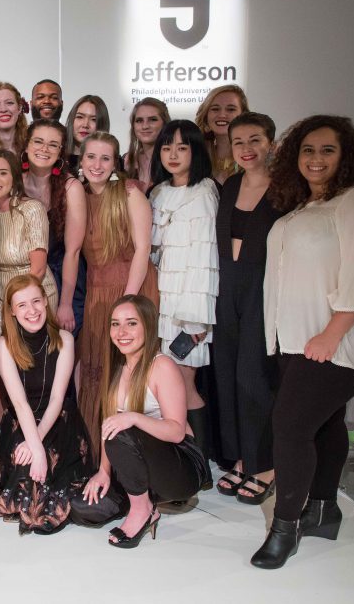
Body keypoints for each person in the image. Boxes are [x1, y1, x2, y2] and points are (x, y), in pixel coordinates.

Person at [251, 115, 354, 569]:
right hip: (296, 340)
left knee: (290, 427)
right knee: (324, 424)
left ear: (345, 156)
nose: (315, 159)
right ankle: (323, 509)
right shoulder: (302, 210)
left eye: (327, 150)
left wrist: (331, 335)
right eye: (308, 150)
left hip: (337, 341)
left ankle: (284, 528)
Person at [78, 295, 210, 548]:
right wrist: (103, 472)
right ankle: (141, 500)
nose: (121, 331)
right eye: (115, 324)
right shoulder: (118, 371)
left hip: (182, 467)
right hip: (144, 464)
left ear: (148, 327)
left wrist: (133, 418)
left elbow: (176, 432)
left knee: (123, 429)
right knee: (84, 507)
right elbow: (110, 426)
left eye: (131, 323)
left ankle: (144, 511)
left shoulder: (162, 366)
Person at [0, 275, 92, 534]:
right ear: (13, 312)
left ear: (46, 302)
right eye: (22, 305)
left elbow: (57, 399)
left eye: (36, 301)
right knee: (27, 466)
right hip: (21, 418)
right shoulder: (5, 345)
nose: (32, 310)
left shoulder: (65, 340)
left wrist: (36, 442)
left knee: (47, 470)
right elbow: (19, 402)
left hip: (57, 417)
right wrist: (35, 449)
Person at [212, 113, 283, 503]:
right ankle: (240, 457)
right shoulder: (231, 185)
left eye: (255, 140)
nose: (246, 149)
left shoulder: (287, 189)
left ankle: (265, 464)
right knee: (227, 375)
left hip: (264, 289)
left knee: (255, 377)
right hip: (227, 287)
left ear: (270, 142)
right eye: (238, 142)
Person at [77, 132, 158, 464]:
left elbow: (142, 250)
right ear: (80, 161)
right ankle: (97, 459)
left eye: (105, 158)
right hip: (97, 291)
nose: (97, 165)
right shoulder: (78, 196)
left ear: (116, 162)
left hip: (132, 288)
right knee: (96, 369)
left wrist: (127, 303)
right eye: (91, 157)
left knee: (131, 372)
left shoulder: (129, 194)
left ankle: (139, 461)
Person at [148, 119, 219, 458]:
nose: (173, 155)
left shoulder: (204, 191)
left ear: (196, 150)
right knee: (166, 387)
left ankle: (198, 461)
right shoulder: (159, 192)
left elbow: (205, 257)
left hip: (188, 310)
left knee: (185, 385)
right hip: (162, 303)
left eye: (181, 147)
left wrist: (196, 323)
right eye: (166, 147)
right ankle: (180, 460)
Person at [0, 149, 58, 415]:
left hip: (32, 293)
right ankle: (5, 425)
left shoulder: (31, 209)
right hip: (1, 296)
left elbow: (38, 266)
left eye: (2, 172)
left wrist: (19, 306)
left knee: (32, 365)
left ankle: (40, 421)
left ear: (14, 177)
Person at [22, 119, 87, 335]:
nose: (44, 149)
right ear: (27, 145)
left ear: (60, 151)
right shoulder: (13, 182)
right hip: (21, 278)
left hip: (62, 279)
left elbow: (73, 251)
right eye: (38, 141)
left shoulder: (71, 187)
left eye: (53, 144)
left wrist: (65, 304)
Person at [195, 84, 249, 184]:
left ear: (243, 115)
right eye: (215, 109)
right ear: (206, 115)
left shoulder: (257, 156)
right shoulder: (194, 155)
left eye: (231, 109)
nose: (222, 115)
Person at [124, 97, 169, 192]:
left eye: (153, 119)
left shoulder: (174, 160)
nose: (145, 126)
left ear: (164, 123)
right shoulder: (127, 161)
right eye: (139, 121)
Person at [64, 94, 110, 173]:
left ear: (102, 124)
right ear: (72, 120)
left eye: (94, 119)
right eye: (80, 117)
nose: (85, 125)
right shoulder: (57, 158)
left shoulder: (111, 162)